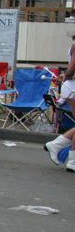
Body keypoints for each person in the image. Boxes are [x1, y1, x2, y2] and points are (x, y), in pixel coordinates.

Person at [44, 34, 75, 172]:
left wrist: (67, 75)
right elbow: (72, 68)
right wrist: (67, 75)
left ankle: (56, 145)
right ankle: (73, 160)